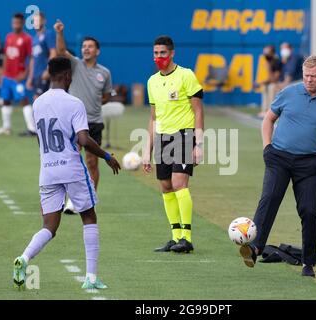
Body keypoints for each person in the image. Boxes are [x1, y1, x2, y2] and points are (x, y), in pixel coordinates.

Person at [12, 57, 121, 290]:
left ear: (50, 75)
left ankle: (24, 258)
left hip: (48, 170)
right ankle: (91, 278)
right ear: (68, 76)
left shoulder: (38, 103)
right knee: (89, 217)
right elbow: (83, 139)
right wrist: (107, 156)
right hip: (71, 168)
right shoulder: (74, 103)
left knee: (49, 226)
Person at [239, 56, 316, 277]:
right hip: (279, 157)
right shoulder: (288, 92)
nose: (309, 80)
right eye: (306, 75)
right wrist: (267, 147)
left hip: (309, 163)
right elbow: (268, 119)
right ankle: (255, 248)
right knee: (269, 199)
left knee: (309, 211)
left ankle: (308, 262)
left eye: (314, 76)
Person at [143, 36, 204, 253]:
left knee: (179, 183)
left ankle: (186, 238)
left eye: (163, 53)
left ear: (172, 53)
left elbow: (198, 110)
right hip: (163, 138)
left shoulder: (186, 75)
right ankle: (175, 236)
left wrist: (199, 144)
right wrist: (146, 150)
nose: (159, 57)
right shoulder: (152, 81)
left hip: (184, 135)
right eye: (156, 53)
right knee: (166, 186)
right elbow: (153, 118)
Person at [54, 19, 113, 214]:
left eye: (90, 47)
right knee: (71, 160)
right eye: (84, 46)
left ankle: (89, 199)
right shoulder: (75, 65)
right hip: (73, 122)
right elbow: (61, 52)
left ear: (97, 51)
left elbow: (105, 95)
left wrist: (95, 104)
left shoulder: (104, 73)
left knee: (91, 161)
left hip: (94, 122)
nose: (86, 49)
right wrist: (60, 32)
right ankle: (72, 199)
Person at [0, 13, 36, 136]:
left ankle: (32, 129)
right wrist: (2, 74)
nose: (15, 25)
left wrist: (26, 74)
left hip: (18, 77)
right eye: (14, 22)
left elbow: (31, 58)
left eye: (18, 22)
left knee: (24, 101)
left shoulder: (27, 38)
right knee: (5, 101)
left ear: (22, 23)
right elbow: (6, 56)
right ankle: (6, 127)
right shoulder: (9, 37)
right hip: (7, 76)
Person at [26, 12, 56, 101]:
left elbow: (53, 52)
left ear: (44, 21)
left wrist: (48, 70)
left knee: (39, 99)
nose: (36, 23)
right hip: (36, 75)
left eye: (38, 20)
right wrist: (30, 77)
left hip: (44, 74)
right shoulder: (34, 38)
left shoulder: (48, 34)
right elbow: (32, 59)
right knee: (37, 101)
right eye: (34, 21)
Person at [256, 45, 282, 118]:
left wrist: (269, 68)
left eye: (267, 53)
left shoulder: (277, 62)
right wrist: (262, 82)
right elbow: (269, 79)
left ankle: (271, 111)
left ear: (272, 53)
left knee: (271, 87)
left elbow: (275, 79)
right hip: (274, 83)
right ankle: (264, 110)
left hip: (280, 83)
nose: (265, 55)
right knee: (264, 86)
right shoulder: (269, 62)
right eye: (264, 53)